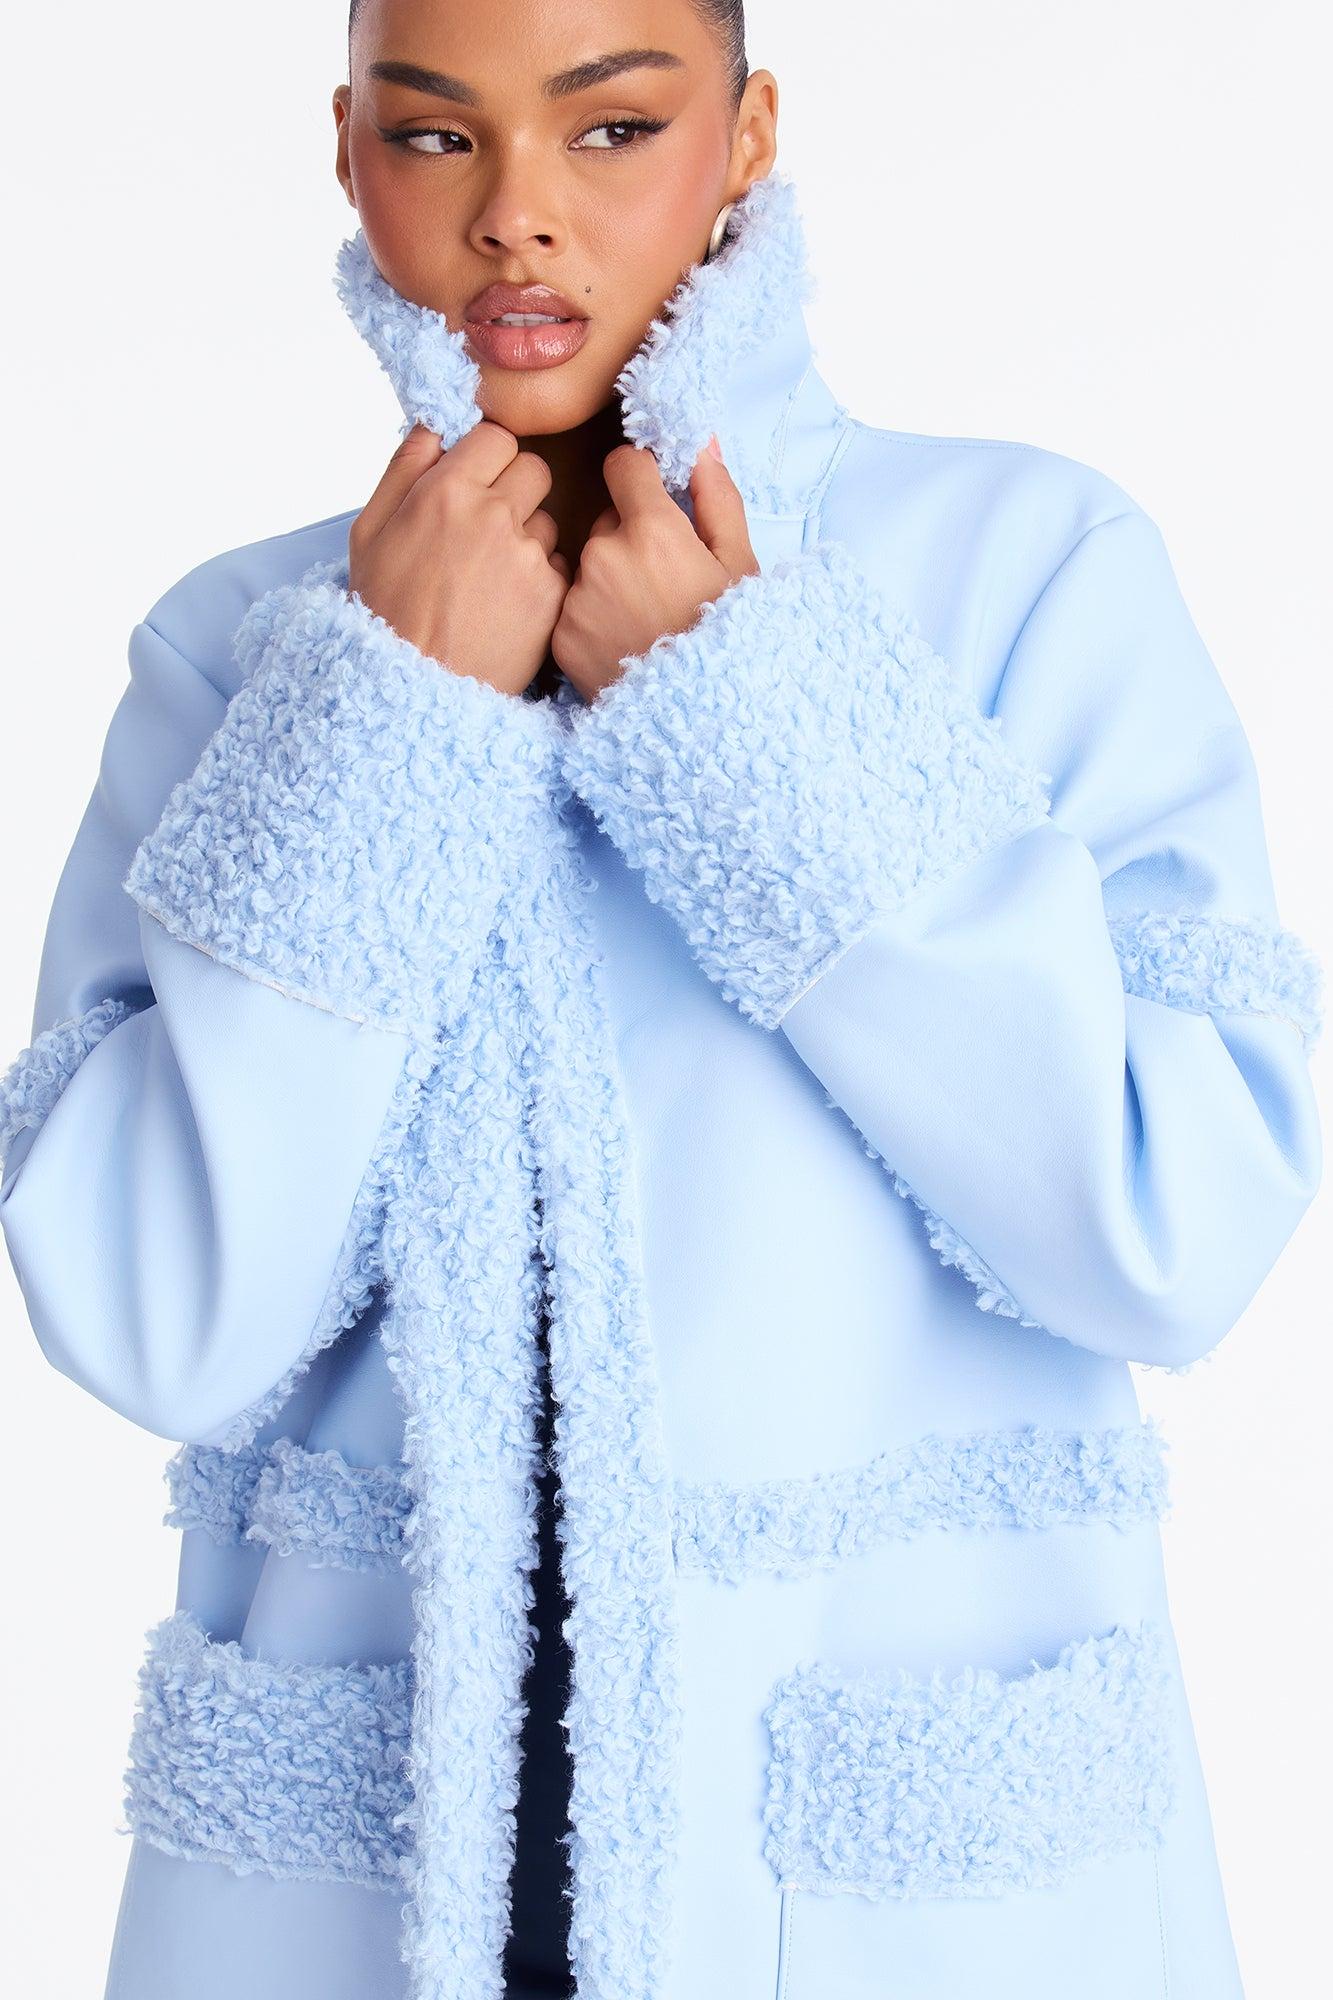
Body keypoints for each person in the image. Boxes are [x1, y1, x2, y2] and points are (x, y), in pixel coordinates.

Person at [0, 3, 1322, 1997]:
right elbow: (145, 1310)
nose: (516, 214)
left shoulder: (1021, 571)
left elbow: (1172, 1227)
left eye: (610, 128)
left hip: (884, 1892)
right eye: (434, 135)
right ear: (347, 150)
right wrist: (389, 721)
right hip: (356, 1899)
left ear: (746, 135)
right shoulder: (247, 654)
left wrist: (750, 719)